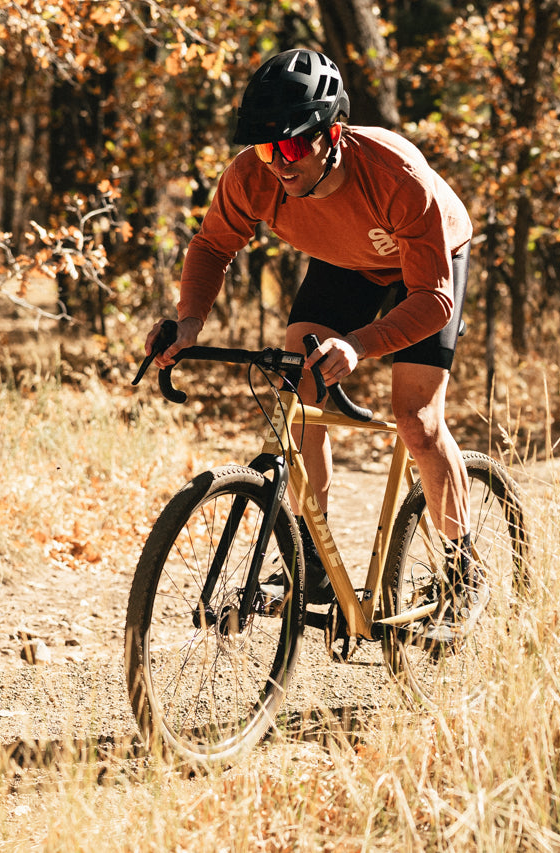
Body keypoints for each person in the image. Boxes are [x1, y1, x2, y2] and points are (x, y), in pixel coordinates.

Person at [145, 48, 479, 642]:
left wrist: (358, 345)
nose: (278, 163)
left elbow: (433, 302)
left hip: (426, 266)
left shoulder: (396, 176)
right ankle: (313, 565)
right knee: (297, 390)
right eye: (266, 148)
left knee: (417, 421)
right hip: (344, 263)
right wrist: (189, 323)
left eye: (293, 146)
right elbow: (212, 246)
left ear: (333, 135)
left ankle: (462, 572)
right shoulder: (252, 177)